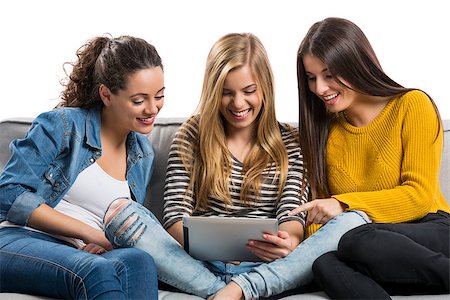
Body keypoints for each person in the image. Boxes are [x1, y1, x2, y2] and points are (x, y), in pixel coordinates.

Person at [102, 32, 370, 300]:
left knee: (350, 220)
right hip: (195, 264)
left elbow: (292, 214)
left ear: (264, 87)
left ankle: (241, 289)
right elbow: (174, 216)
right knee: (122, 214)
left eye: (249, 91)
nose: (238, 103)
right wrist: (209, 248)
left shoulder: (291, 141)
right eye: (226, 93)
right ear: (213, 91)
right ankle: (230, 292)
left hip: (267, 266)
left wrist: (286, 242)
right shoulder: (191, 134)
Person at [291, 17, 450, 299]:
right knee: (323, 263)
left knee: (356, 240)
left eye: (329, 75)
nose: (319, 88)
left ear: (355, 63)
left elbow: (419, 196)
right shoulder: (324, 131)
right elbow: (320, 217)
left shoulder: (413, 105)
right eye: (311, 77)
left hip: (431, 230)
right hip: (372, 249)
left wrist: (343, 204)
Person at [0, 35, 163, 299]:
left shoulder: (143, 154)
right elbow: (8, 194)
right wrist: (89, 234)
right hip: (19, 240)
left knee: (139, 260)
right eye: (139, 100)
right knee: (95, 270)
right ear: (106, 94)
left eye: (159, 96)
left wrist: (102, 244)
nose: (152, 108)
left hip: (78, 253)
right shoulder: (62, 126)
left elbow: (123, 224)